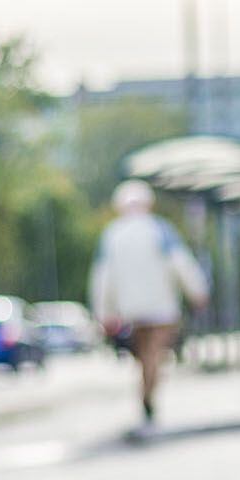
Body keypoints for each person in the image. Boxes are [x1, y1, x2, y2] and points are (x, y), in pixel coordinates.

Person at [90, 179, 209, 432]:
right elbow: (180, 263)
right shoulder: (160, 229)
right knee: (154, 355)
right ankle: (148, 398)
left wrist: (104, 313)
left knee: (145, 356)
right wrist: (198, 291)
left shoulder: (112, 235)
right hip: (162, 307)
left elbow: (102, 277)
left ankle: (146, 396)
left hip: (131, 310)